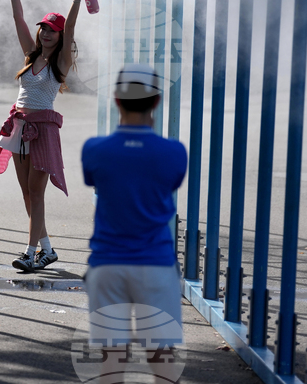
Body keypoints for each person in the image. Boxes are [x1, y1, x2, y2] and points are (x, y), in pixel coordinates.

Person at [80, 63, 188, 381]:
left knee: (110, 361)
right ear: (156, 102)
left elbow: (93, 180)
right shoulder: (174, 153)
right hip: (156, 264)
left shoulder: (94, 150)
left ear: (116, 100)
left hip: (107, 264)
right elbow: (171, 182)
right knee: (163, 359)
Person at [0, 0, 93, 272]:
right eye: (44, 28)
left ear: (60, 37)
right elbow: (18, 17)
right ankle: (47, 249)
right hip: (18, 126)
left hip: (43, 130)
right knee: (26, 192)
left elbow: (71, 26)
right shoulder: (30, 55)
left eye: (52, 31)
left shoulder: (60, 64)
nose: (46, 33)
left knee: (37, 192)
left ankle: (31, 252)